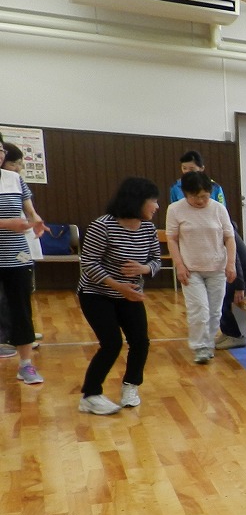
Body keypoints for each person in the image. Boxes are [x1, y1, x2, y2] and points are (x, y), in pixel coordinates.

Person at [77, 177, 163, 414]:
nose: (156, 206)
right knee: (111, 343)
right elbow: (89, 264)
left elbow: (156, 260)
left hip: (130, 294)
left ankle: (130, 386)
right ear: (137, 201)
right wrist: (118, 286)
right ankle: (90, 395)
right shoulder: (102, 226)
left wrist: (144, 269)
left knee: (140, 341)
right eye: (153, 201)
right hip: (97, 293)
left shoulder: (147, 228)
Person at [166, 170, 236, 364]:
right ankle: (200, 347)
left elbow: (229, 237)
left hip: (217, 267)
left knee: (215, 311)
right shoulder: (175, 209)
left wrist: (230, 263)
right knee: (199, 310)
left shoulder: (218, 209)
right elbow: (171, 239)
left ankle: (208, 343)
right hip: (191, 269)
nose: (200, 200)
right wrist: (179, 265)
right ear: (186, 194)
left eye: (205, 196)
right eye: (195, 197)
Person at [0, 141, 46, 383]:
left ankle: (26, 365)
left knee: (21, 309)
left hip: (16, 255)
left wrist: (36, 219)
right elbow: (11, 221)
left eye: (0, 150)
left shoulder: (14, 178)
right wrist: (7, 224)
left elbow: (29, 210)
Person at [214, 226, 246, 350]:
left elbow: (236, 261)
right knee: (216, 295)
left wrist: (239, 287)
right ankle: (227, 332)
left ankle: (235, 336)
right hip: (242, 275)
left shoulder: (223, 228)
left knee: (219, 298)